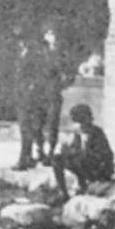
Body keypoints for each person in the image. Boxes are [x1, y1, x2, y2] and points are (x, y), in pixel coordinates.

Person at [52, 103, 115, 198]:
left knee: (80, 158)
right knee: (57, 159)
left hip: (99, 170)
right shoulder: (78, 132)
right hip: (85, 165)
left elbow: (104, 156)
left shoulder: (96, 133)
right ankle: (63, 192)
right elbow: (74, 149)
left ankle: (84, 185)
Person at [12, 30, 50, 169]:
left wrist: (30, 89)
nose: (20, 43)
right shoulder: (20, 56)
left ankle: (25, 159)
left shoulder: (33, 56)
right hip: (22, 98)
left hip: (30, 99)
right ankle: (34, 156)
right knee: (29, 129)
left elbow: (37, 77)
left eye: (22, 40)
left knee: (27, 129)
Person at [37, 25, 68, 163]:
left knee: (52, 123)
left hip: (54, 92)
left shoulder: (61, 53)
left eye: (53, 34)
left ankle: (51, 150)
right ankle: (40, 149)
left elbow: (68, 71)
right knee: (38, 122)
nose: (51, 37)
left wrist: (62, 84)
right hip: (41, 92)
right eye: (48, 34)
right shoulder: (40, 52)